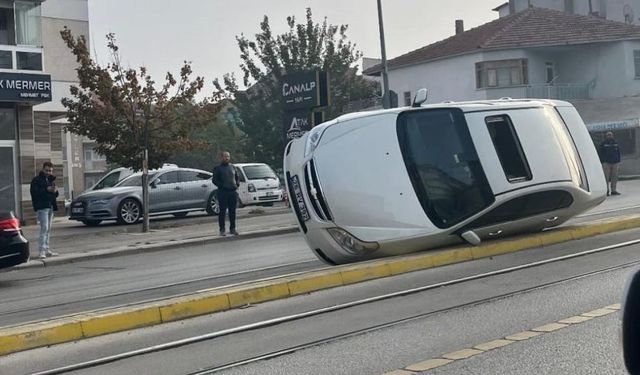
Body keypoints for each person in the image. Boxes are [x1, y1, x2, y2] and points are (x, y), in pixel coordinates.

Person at [30, 162, 59, 259]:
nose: (48, 172)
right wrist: (47, 190)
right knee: (44, 228)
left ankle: (46, 249)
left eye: (50, 170)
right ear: (43, 169)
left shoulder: (51, 180)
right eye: (46, 170)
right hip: (42, 207)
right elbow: (35, 193)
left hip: (50, 206)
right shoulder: (36, 180)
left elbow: (55, 194)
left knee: (48, 229)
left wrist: (55, 191)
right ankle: (41, 251)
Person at [212, 151, 240, 236]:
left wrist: (237, 184)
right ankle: (222, 229)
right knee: (222, 211)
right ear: (221, 158)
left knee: (232, 211)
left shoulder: (233, 167)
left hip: (232, 192)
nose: (227, 158)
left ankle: (232, 228)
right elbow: (214, 180)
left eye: (228, 156)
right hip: (223, 192)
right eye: (225, 156)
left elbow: (237, 177)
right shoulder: (218, 168)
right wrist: (222, 185)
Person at [598, 131, 621, 196]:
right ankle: (606, 191)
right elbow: (600, 153)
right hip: (606, 163)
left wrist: (618, 160)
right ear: (606, 136)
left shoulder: (615, 143)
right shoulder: (603, 144)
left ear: (612, 136)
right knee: (606, 177)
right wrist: (602, 161)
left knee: (615, 177)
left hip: (615, 162)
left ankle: (613, 190)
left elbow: (618, 152)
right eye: (608, 135)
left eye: (610, 135)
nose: (609, 136)